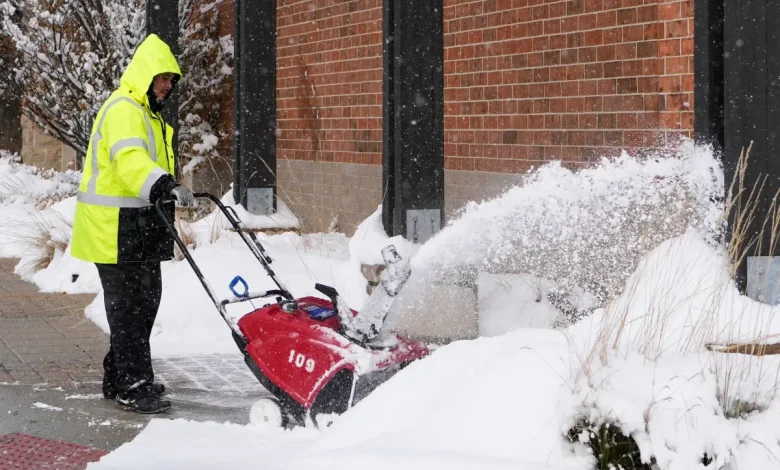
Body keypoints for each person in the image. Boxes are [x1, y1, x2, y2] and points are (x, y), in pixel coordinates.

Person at [70, 34, 195, 414]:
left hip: (138, 227)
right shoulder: (124, 109)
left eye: (171, 80)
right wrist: (165, 185)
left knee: (144, 303)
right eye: (162, 78)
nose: (167, 86)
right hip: (113, 228)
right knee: (129, 309)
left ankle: (119, 373)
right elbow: (130, 162)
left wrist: (166, 188)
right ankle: (132, 385)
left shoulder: (148, 114)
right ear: (145, 75)